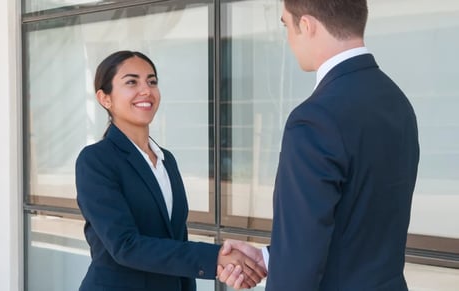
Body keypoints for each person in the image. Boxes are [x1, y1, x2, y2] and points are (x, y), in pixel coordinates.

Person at [218, 0, 420, 290]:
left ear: (306, 25)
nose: (288, 38)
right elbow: (355, 225)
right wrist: (268, 257)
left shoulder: (315, 118)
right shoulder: (397, 102)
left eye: (285, 25)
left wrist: (285, 263)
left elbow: (301, 260)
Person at [75, 50, 266, 291]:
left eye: (152, 81)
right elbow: (125, 246)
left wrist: (216, 267)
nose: (146, 90)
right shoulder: (96, 160)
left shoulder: (166, 160)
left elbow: (176, 239)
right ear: (105, 98)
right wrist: (215, 257)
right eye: (131, 82)